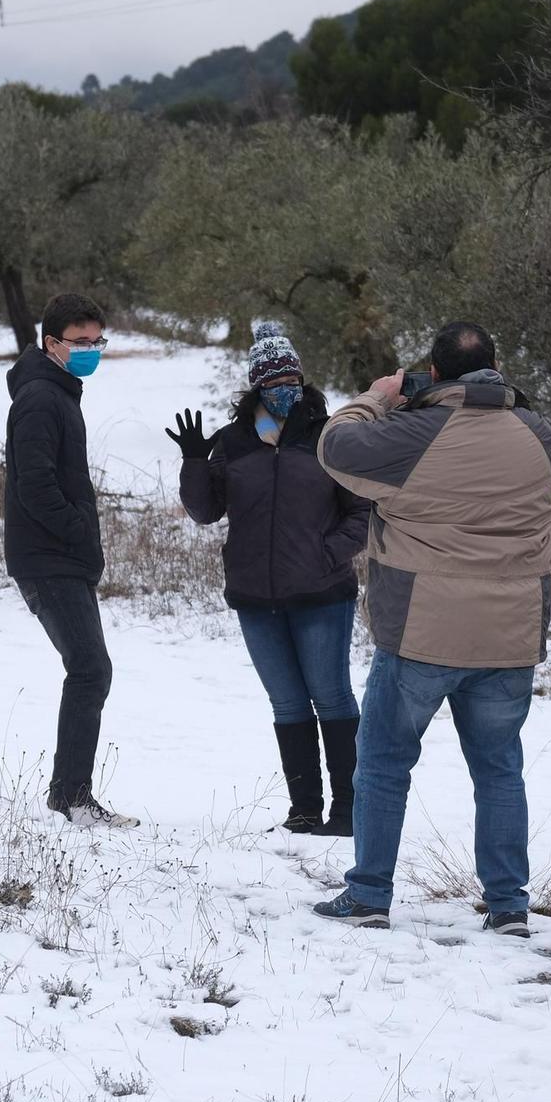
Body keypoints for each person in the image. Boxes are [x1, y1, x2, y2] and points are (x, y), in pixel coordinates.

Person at [308, 322, 551, 936]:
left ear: (431, 370)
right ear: (497, 365)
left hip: (422, 631)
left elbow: (335, 448)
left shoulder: (409, 435)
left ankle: (370, 894)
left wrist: (379, 395)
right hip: (508, 634)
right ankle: (508, 904)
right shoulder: (535, 435)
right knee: (500, 769)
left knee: (382, 764)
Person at [168, 323, 370, 836]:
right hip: (256, 597)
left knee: (332, 697)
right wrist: (195, 462)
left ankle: (348, 811)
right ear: (256, 386)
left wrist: (328, 553)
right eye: (274, 379)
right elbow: (205, 511)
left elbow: (362, 512)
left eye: (292, 376)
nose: (285, 386)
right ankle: (303, 809)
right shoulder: (234, 443)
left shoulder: (329, 436)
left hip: (322, 593)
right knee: (286, 702)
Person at [5, 292, 138, 829]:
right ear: (51, 342)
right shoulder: (41, 397)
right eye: (79, 342)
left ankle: (70, 793)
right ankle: (72, 797)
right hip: (47, 557)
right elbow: (34, 485)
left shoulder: (59, 392)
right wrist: (79, 531)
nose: (90, 351)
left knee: (89, 670)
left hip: (61, 556)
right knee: (89, 670)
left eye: (96, 341)